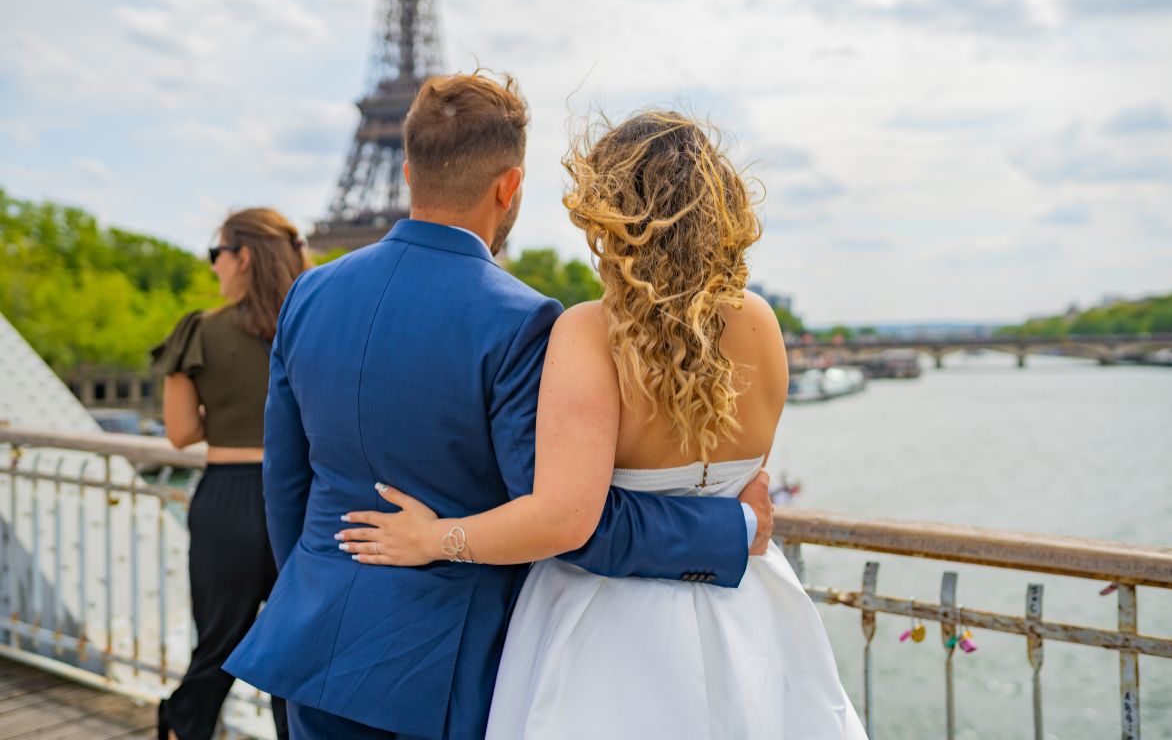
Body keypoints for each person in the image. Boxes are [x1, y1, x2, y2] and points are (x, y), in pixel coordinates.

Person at [222, 71, 774, 740]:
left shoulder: (308, 296)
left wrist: (315, 586)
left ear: (406, 171)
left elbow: (285, 484)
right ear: (508, 186)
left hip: (314, 640)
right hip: (443, 668)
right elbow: (567, 515)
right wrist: (731, 530)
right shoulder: (521, 319)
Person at [337, 110, 868, 738]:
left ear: (608, 211)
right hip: (749, 604)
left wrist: (434, 540)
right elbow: (733, 478)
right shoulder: (761, 322)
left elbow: (565, 517)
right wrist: (743, 519)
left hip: (611, 626)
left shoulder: (592, 330)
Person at [151, 207, 311, 740]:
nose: (213, 265)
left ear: (241, 257)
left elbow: (178, 433)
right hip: (304, 501)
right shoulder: (312, 324)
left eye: (216, 253)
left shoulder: (201, 330)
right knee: (294, 655)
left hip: (227, 502)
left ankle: (181, 730)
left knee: (217, 647)